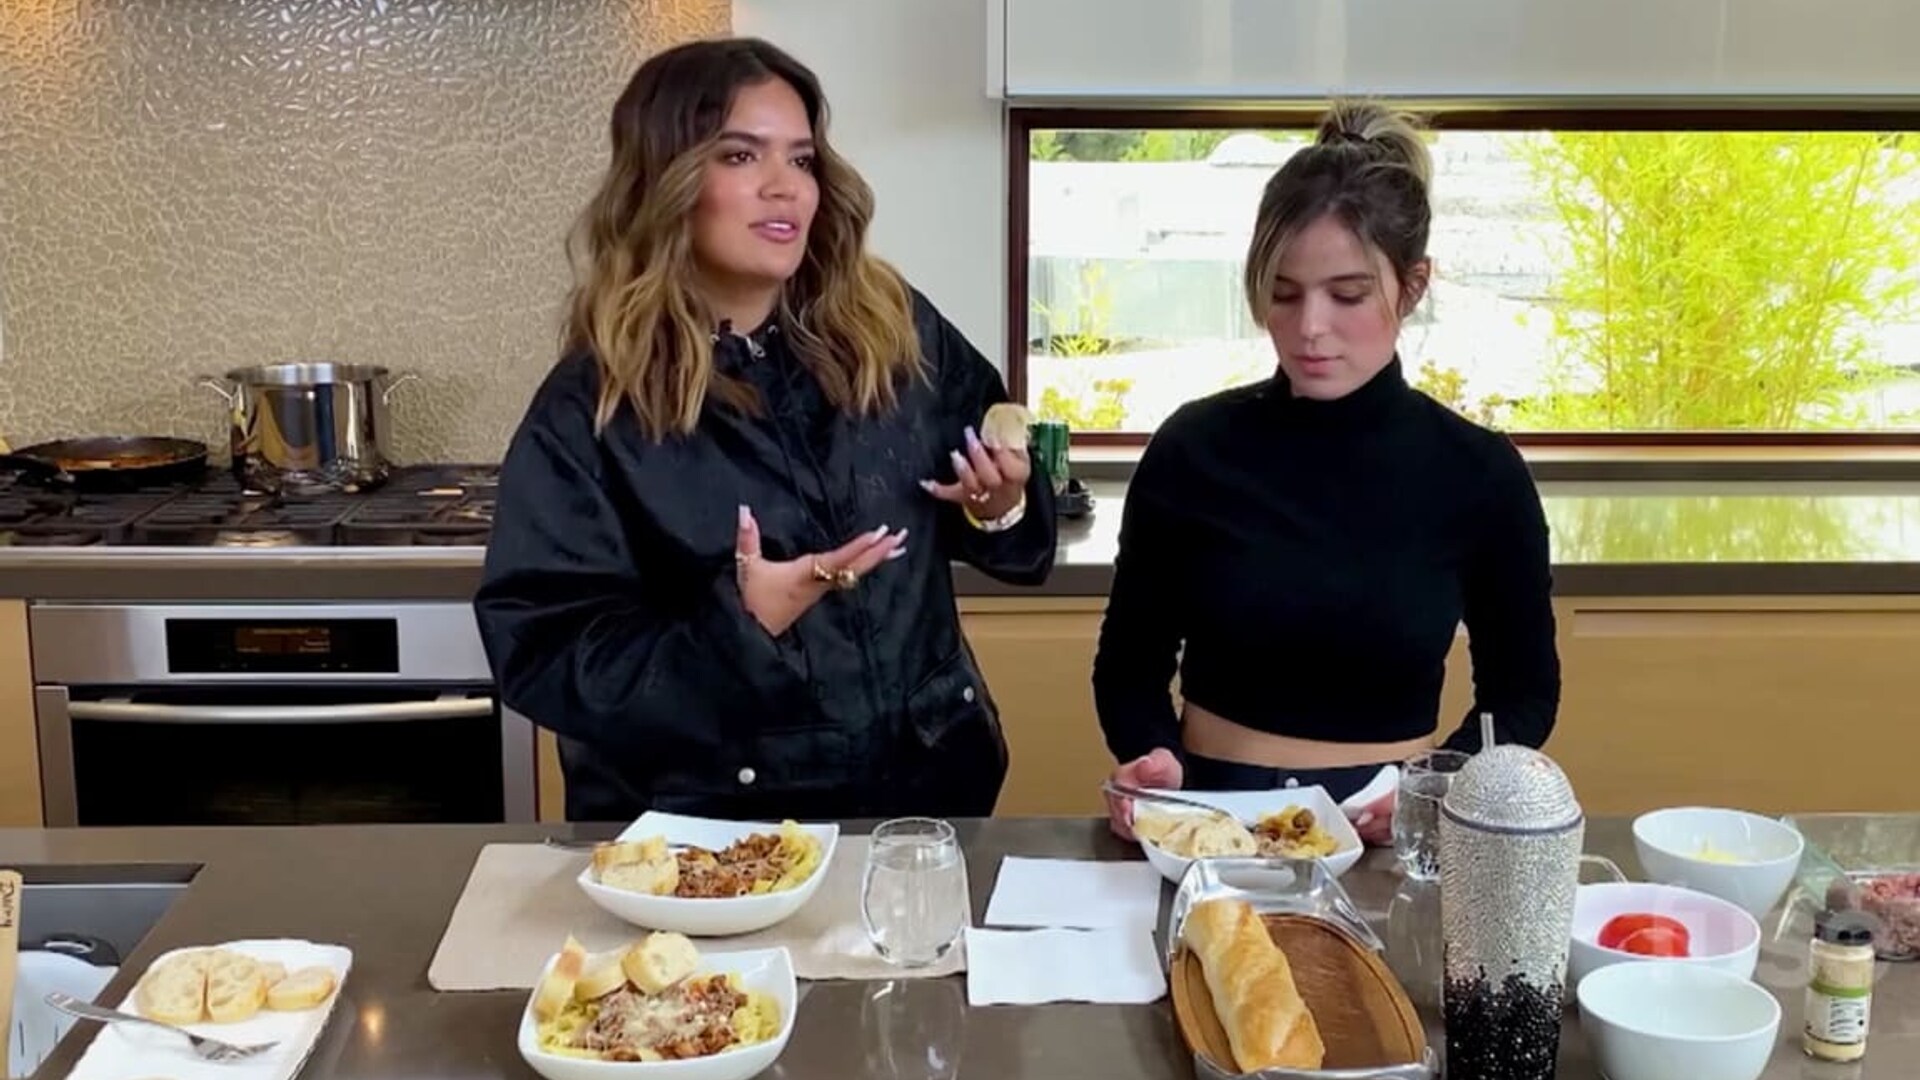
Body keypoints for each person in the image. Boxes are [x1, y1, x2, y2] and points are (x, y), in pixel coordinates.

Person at [474, 37, 1057, 823]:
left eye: (803, 160)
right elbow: (546, 655)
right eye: (742, 157)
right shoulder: (593, 408)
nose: (785, 189)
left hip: (927, 804)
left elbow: (1002, 471)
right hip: (714, 839)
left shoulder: (895, 330)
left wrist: (999, 507)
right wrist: (741, 625)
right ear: (668, 180)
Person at [1093, 102, 1560, 843]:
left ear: (1411, 286)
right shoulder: (1193, 449)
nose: (1310, 327)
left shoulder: (1479, 474)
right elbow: (1127, 665)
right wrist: (1153, 756)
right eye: (1283, 293)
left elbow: (1525, 694)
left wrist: (1435, 788)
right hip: (1208, 818)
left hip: (1388, 827)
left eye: (1346, 295)